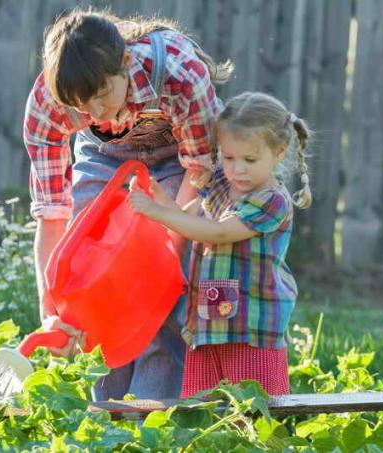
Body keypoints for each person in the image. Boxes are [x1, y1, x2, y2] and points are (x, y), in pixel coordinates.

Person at [23, 8, 232, 400]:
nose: (96, 112)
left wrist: (166, 253)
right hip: (104, 155)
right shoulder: (48, 106)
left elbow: (199, 170)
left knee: (165, 295)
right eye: (83, 106)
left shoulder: (179, 73)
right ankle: (104, 418)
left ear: (125, 63)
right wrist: (51, 309)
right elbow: (53, 219)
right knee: (87, 282)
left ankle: (152, 418)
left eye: (102, 95)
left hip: (179, 160)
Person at [127, 91, 312, 396]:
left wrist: (157, 212)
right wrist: (159, 199)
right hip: (207, 325)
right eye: (228, 157)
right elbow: (188, 220)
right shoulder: (221, 186)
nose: (237, 169)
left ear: (279, 152)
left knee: (255, 414)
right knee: (203, 412)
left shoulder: (272, 201)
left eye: (249, 159)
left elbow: (219, 233)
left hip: (250, 330)